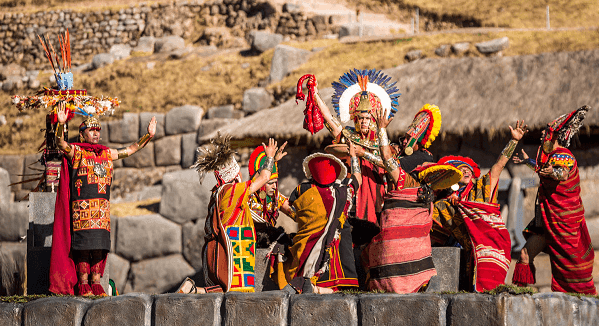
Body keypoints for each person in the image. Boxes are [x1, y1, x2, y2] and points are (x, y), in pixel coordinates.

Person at [49, 102, 157, 296]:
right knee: (83, 246)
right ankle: (83, 285)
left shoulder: (107, 154)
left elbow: (130, 150)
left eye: (98, 130)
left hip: (102, 209)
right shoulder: (77, 152)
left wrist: (147, 136)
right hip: (81, 209)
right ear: (82, 134)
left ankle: (96, 284)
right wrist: (60, 124)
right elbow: (59, 143)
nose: (96, 133)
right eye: (91, 130)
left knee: (99, 246)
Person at [431, 120, 527, 291]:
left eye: (468, 169)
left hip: (486, 245)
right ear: (452, 177)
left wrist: (513, 141)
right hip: (458, 252)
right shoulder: (442, 204)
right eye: (461, 170)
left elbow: (498, 167)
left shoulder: (480, 191)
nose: (466, 171)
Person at [512, 106, 597, 295]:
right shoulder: (552, 158)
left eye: (546, 134)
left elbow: (562, 172)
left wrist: (554, 172)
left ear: (555, 136)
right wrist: (529, 161)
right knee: (525, 255)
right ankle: (519, 299)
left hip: (561, 222)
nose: (542, 136)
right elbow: (546, 169)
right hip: (547, 222)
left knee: (572, 270)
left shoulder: (563, 156)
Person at [310, 69, 402, 243]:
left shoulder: (382, 142)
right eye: (360, 118)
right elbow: (329, 120)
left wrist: (364, 154)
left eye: (367, 118)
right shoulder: (349, 136)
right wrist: (315, 96)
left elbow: (391, 164)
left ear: (374, 119)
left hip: (378, 191)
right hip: (355, 190)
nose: (363, 121)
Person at [361, 104, 445, 293]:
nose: (403, 141)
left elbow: (388, 161)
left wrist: (381, 130)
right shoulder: (412, 171)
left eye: (407, 138)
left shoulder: (415, 165)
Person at [191, 134, 286, 293]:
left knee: (219, 291)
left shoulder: (218, 192)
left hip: (216, 252)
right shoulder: (234, 191)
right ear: (236, 176)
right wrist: (269, 158)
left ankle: (192, 289)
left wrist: (273, 161)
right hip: (232, 255)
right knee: (235, 295)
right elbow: (263, 177)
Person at [272, 143, 362, 294]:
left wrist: (273, 162)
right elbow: (357, 178)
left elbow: (289, 208)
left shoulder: (303, 190)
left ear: (312, 173)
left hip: (308, 248)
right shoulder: (343, 192)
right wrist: (354, 157)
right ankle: (329, 290)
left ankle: (312, 286)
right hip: (339, 247)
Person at [246, 144, 294, 248]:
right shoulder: (247, 196)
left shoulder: (276, 197)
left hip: (268, 243)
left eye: (275, 182)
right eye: (270, 183)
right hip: (248, 245)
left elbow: (294, 213)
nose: (274, 186)